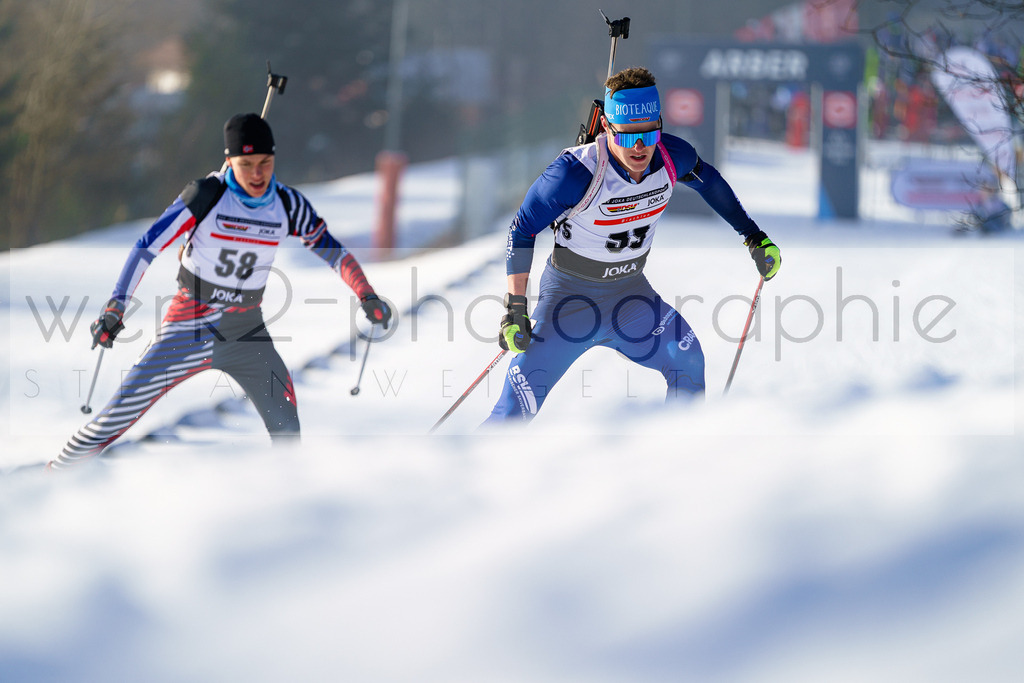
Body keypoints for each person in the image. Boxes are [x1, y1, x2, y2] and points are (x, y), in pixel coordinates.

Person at [50, 113, 392, 468]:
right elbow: (146, 246)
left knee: (288, 430)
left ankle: (288, 505)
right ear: (229, 161)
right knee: (115, 419)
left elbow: (330, 248)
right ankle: (51, 478)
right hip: (188, 328)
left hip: (247, 332)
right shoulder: (207, 195)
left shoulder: (287, 204)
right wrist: (116, 307)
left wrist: (366, 294)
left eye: (265, 163)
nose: (258, 175)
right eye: (246, 165)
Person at [484, 67, 780, 424]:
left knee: (688, 359)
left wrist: (753, 236)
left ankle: (674, 461)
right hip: (569, 302)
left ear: (659, 123)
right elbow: (521, 230)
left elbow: (710, 182)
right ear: (608, 128)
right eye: (627, 137)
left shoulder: (672, 156)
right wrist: (516, 308)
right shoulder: (574, 173)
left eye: (648, 133)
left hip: (630, 298)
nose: (639, 147)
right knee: (513, 413)